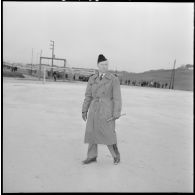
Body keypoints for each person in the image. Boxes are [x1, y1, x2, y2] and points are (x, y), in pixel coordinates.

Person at [82, 54, 122, 165]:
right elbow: (88, 96)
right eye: (103, 64)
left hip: (106, 110)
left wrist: (116, 112)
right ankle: (92, 156)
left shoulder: (113, 79)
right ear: (98, 65)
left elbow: (117, 98)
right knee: (92, 132)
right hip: (94, 109)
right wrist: (84, 110)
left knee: (109, 134)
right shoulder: (92, 79)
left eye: (106, 64)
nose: (105, 66)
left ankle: (116, 156)